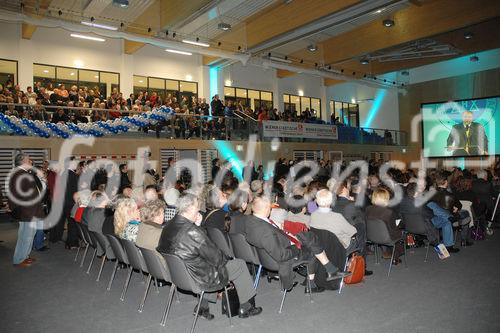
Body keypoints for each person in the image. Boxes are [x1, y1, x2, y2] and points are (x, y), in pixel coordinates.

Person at [157, 194, 262, 319]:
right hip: (198, 277)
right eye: (197, 207)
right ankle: (247, 307)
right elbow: (217, 258)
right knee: (238, 264)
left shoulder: (168, 225)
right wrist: (226, 257)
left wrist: (197, 226)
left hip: (179, 274)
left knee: (206, 264)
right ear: (190, 208)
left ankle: (202, 307)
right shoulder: (192, 231)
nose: (198, 209)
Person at [244, 196, 350, 293]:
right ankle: (318, 280)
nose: (271, 209)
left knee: (309, 237)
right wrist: (296, 247)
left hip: (275, 248)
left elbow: (273, 236)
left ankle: (329, 271)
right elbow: (281, 255)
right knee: (312, 246)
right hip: (283, 255)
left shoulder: (251, 222)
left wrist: (285, 232)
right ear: (266, 208)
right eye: (270, 208)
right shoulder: (265, 232)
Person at [8, 153, 45, 267]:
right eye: (29, 160)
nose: (31, 162)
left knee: (29, 235)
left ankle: (25, 256)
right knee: (25, 236)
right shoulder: (20, 174)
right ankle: (19, 259)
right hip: (28, 211)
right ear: (23, 161)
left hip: (30, 210)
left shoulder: (22, 173)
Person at [365, 188, 405, 265]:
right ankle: (395, 257)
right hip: (386, 238)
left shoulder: (368, 209)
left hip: (371, 236)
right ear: (386, 199)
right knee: (400, 231)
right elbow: (394, 227)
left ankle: (387, 252)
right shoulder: (388, 212)